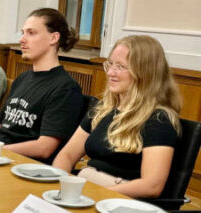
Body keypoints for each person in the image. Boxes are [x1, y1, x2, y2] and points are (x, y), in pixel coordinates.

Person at [53, 35, 181, 197]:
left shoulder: (158, 120)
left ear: (145, 73)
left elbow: (151, 185)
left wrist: (93, 194)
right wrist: (60, 182)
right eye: (110, 64)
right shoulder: (103, 109)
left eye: (121, 67)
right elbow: (67, 155)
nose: (111, 73)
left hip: (118, 200)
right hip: (85, 190)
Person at [0, 8, 83, 163]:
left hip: (19, 164)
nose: (22, 39)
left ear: (53, 38)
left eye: (31, 33)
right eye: (22, 32)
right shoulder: (23, 78)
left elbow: (44, 147)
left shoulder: (66, 88)